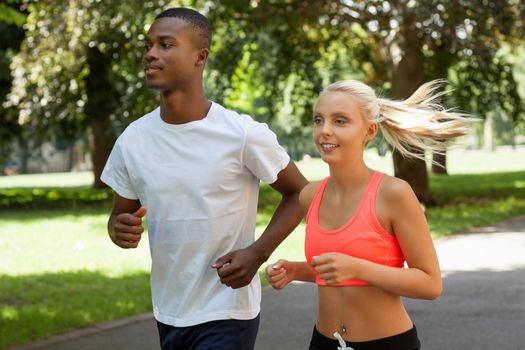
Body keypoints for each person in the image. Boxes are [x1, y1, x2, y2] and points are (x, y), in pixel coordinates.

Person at [100, 7, 308, 350]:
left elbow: (299, 192)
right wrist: (118, 229)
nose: (150, 53)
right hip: (169, 310)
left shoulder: (241, 134)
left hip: (228, 308)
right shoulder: (132, 140)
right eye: (148, 45)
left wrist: (258, 252)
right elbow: (119, 217)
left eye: (165, 45)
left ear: (200, 57)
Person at [266, 79, 471, 350]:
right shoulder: (309, 196)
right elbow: (335, 270)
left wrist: (357, 267)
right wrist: (295, 270)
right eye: (319, 120)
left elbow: (430, 283)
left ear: (370, 131)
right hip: (323, 342)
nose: (325, 131)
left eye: (340, 121)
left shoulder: (394, 194)